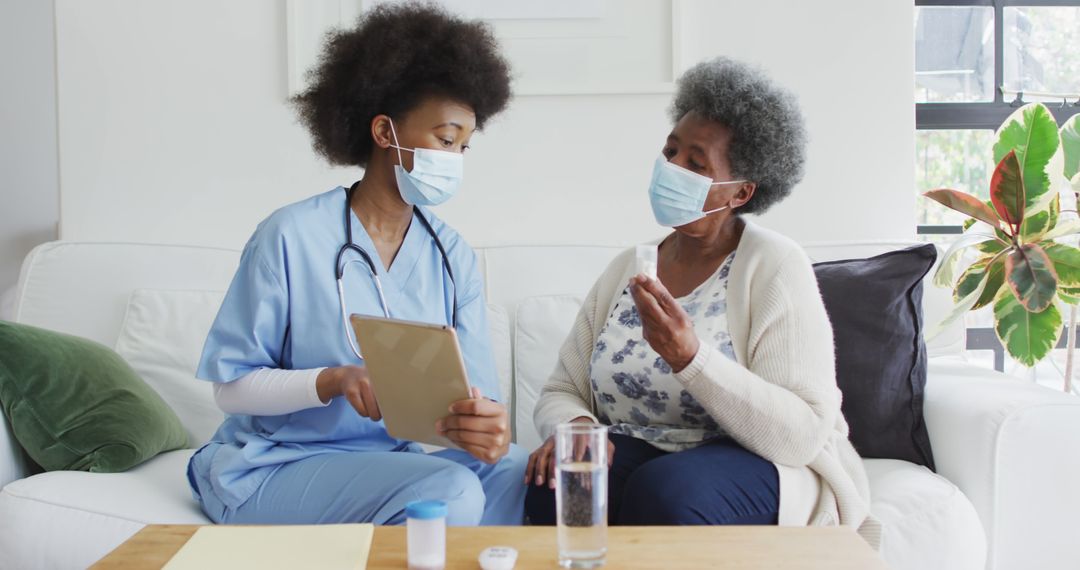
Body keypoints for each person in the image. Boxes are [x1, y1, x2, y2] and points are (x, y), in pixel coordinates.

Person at [186, 2, 526, 527]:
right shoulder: (290, 235)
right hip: (276, 466)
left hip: (389, 464)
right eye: (443, 138)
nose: (453, 158)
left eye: (463, 145)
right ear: (384, 131)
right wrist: (331, 380)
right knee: (451, 492)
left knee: (524, 472)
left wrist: (487, 428)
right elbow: (230, 389)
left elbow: (473, 396)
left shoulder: (450, 255)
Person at [523, 57, 879, 546]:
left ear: (741, 192)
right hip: (643, 447)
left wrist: (689, 357)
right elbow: (561, 389)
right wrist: (578, 429)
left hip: (758, 460)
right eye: (670, 152)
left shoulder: (774, 266)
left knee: (666, 491)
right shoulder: (630, 265)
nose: (673, 168)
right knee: (560, 481)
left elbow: (801, 436)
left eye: (696, 163)